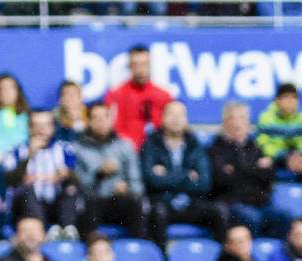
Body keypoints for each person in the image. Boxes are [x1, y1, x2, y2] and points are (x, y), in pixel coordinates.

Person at [141, 100, 227, 249]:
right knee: (157, 212)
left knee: (219, 210)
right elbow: (152, 181)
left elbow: (204, 183)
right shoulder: (150, 145)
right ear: (162, 118)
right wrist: (186, 175)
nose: (176, 119)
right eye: (171, 114)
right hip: (164, 203)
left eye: (180, 115)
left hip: (192, 204)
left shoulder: (196, 145)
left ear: (186, 120)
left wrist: (167, 176)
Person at [4, 108, 88, 237]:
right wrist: (28, 157)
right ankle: (40, 231)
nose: (41, 129)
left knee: (71, 188)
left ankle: (67, 229)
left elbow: (78, 177)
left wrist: (66, 174)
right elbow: (9, 181)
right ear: (30, 128)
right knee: (27, 190)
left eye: (45, 125)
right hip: (26, 207)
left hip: (55, 202)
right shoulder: (16, 150)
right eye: (37, 125)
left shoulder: (65, 149)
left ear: (52, 128)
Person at [72, 99, 146, 239]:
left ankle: (137, 249)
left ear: (112, 120)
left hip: (120, 202)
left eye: (105, 117)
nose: (101, 122)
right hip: (94, 205)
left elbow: (137, 184)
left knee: (136, 203)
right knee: (89, 201)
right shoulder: (78, 148)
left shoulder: (125, 146)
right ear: (88, 122)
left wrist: (127, 189)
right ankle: (92, 252)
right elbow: (81, 185)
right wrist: (99, 173)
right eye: (96, 118)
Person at [208, 101, 275, 236]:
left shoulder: (255, 148)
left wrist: (237, 169)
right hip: (232, 204)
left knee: (284, 218)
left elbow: (269, 176)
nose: (238, 123)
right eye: (233, 118)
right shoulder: (215, 149)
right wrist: (255, 168)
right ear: (225, 122)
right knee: (251, 218)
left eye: (242, 118)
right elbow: (221, 180)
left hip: (259, 203)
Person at [108, 44, 172, 151]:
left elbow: (169, 129)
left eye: (144, 64)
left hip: (157, 152)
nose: (140, 69)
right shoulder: (116, 95)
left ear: (150, 65)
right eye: (136, 65)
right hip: (126, 152)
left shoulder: (163, 96)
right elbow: (113, 129)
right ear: (129, 66)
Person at [255, 82, 302, 183]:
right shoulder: (266, 118)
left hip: (297, 157)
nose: (290, 102)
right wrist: (284, 156)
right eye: (286, 98)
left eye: (294, 98)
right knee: (264, 165)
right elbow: (263, 144)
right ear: (277, 100)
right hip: (276, 157)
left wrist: (299, 155)